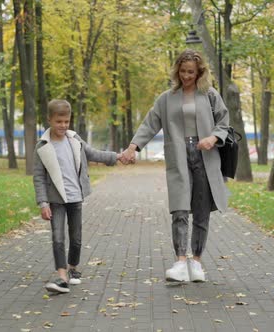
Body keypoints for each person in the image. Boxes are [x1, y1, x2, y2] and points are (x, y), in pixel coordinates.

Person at [120, 49, 230, 283]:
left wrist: (213, 138)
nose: (186, 76)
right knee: (179, 209)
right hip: (179, 155)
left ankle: (197, 263)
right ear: (176, 71)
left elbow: (224, 121)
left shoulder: (209, 95)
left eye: (191, 72)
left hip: (205, 155)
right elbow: (150, 124)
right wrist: (133, 147)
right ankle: (181, 262)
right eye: (182, 71)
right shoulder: (166, 98)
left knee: (201, 211)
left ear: (199, 72)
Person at [34, 99, 124, 293]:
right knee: (58, 237)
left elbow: (93, 154)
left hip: (75, 197)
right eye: (59, 122)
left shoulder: (74, 140)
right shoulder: (42, 146)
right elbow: (39, 177)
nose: (63, 125)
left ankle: (73, 268)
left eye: (66, 121)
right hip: (56, 200)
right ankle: (61, 277)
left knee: (76, 237)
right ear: (49, 120)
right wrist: (43, 203)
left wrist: (117, 156)